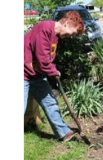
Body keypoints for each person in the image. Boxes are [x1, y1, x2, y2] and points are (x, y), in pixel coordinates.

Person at [23, 10, 84, 142]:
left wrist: (53, 69)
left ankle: (63, 133)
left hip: (36, 74)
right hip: (23, 71)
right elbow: (43, 61)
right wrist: (54, 71)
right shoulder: (44, 29)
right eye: (73, 33)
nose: (72, 36)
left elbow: (48, 59)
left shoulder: (57, 36)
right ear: (67, 23)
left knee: (50, 102)